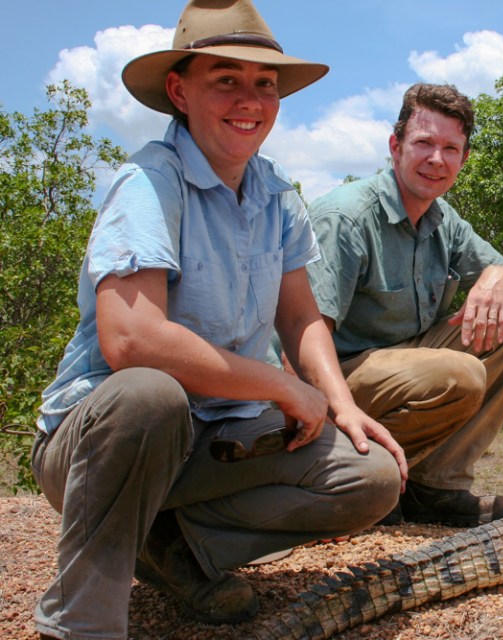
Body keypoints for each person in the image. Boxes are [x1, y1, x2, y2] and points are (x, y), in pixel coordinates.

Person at [30, 1, 407, 638]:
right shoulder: (151, 181)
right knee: (151, 395)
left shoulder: (274, 191)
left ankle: (175, 549)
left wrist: (339, 402)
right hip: (104, 441)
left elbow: (300, 314)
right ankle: (82, 620)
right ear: (179, 90)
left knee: (370, 477)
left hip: (216, 435)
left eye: (266, 83)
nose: (250, 99)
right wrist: (284, 386)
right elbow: (131, 340)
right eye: (225, 79)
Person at [305, 83, 503, 527]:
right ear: (395, 147)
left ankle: (435, 487)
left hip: (402, 368)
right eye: (424, 143)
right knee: (460, 372)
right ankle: (358, 471)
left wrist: (497, 275)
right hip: (328, 381)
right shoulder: (346, 217)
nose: (437, 159)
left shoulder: (443, 220)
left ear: (463, 160)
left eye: (451, 148)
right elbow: (303, 340)